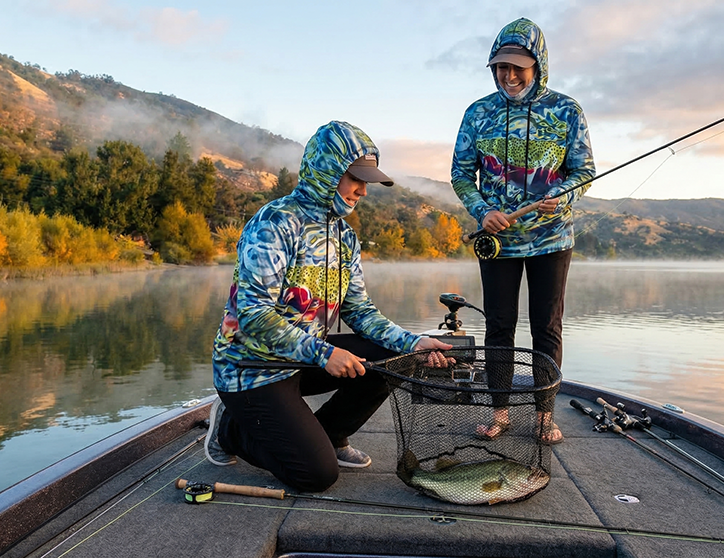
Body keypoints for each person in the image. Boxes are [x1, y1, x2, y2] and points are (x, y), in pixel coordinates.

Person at [208, 120, 453, 493]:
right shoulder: (274, 223)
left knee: (396, 358)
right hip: (251, 369)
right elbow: (254, 315)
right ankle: (229, 430)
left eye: (367, 182)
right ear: (327, 170)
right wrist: (325, 354)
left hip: (302, 359)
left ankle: (329, 434)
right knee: (316, 476)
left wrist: (413, 343)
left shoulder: (345, 237)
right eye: (356, 179)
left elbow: (359, 311)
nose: (363, 191)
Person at [450, 18, 596, 444]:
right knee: (499, 326)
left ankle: (544, 416)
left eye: (519, 67)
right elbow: (461, 175)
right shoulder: (478, 113)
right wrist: (482, 211)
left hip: (553, 238)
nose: (509, 75)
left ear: (538, 65)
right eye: (501, 67)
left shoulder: (567, 110)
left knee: (546, 326)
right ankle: (500, 413)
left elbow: (584, 170)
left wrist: (563, 195)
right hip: (498, 241)